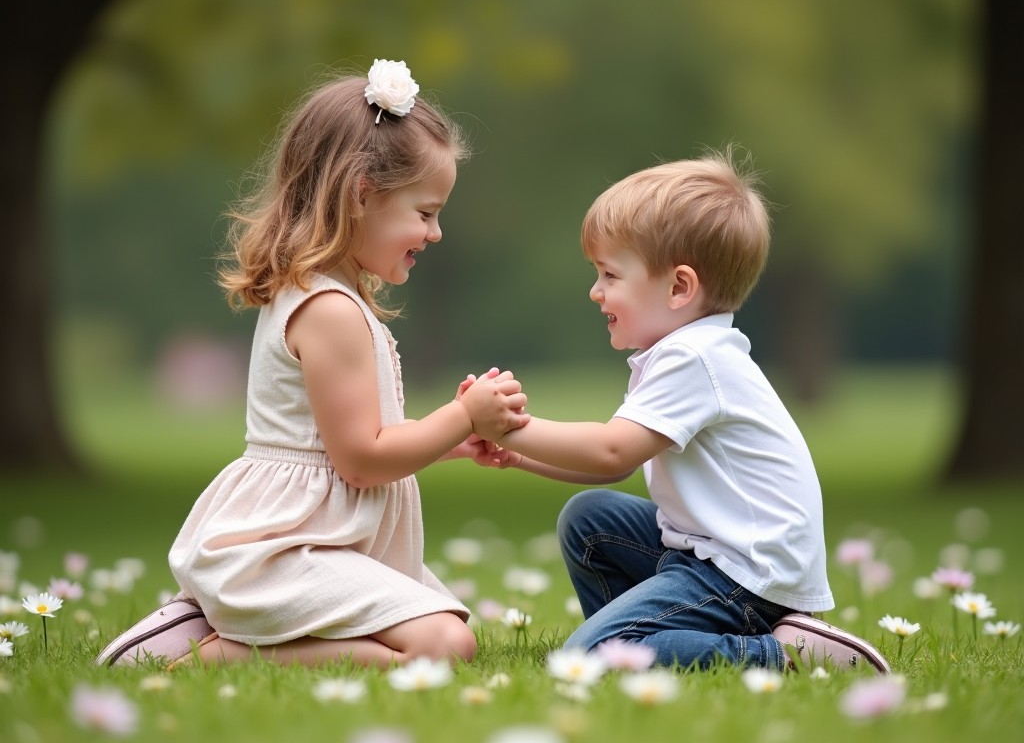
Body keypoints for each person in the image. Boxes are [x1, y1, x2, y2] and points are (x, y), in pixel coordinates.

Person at [96, 59, 529, 669]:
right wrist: (460, 417)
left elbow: (351, 442)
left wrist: (450, 441)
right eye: (425, 212)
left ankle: (228, 630)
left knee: (439, 635)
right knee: (444, 644)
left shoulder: (331, 298)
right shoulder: (328, 311)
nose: (434, 233)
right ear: (361, 195)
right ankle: (208, 655)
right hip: (285, 548)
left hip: (324, 540)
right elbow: (359, 461)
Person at [475, 150, 890, 674]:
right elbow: (621, 464)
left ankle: (780, 654)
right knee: (590, 521)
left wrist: (511, 427)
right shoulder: (687, 352)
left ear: (678, 288)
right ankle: (641, 642)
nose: (595, 290)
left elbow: (610, 450)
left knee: (588, 657)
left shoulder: (694, 358)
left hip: (745, 574)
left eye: (609, 274)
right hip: (714, 553)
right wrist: (516, 454)